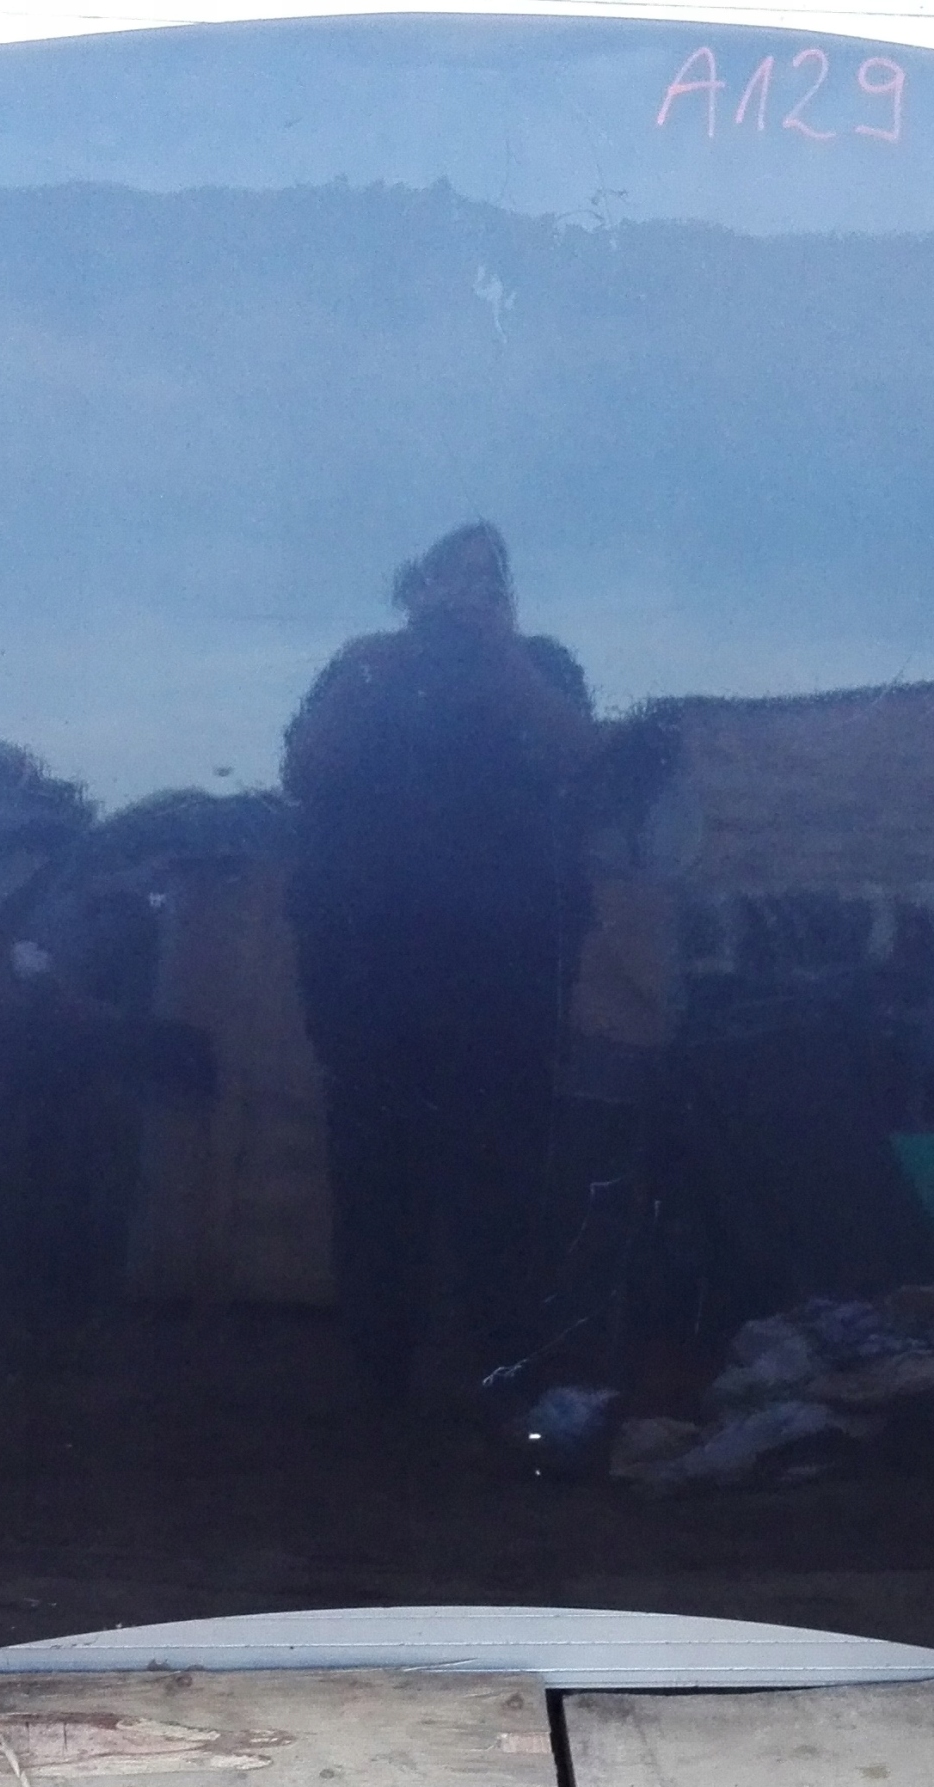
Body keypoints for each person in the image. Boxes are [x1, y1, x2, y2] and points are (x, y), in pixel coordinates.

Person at [281, 523, 598, 1404]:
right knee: (374, 1174)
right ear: (411, 591)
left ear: (506, 597)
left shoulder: (539, 666)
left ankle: (503, 1380)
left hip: (505, 972)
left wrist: (507, 665)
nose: (462, 599)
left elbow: (584, 762)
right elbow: (302, 771)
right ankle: (379, 1387)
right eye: (445, 581)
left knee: (502, 1176)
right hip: (368, 967)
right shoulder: (365, 667)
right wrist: (366, 675)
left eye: (484, 582)